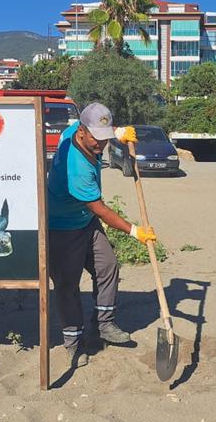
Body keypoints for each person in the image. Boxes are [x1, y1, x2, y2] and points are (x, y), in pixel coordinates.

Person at [47, 102, 156, 367]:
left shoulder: (74, 130)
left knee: (107, 266)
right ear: (82, 132)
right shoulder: (77, 167)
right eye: (97, 139)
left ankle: (103, 324)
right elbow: (100, 209)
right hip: (61, 227)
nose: (101, 145)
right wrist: (135, 231)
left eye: (105, 139)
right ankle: (73, 343)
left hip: (85, 221)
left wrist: (118, 133)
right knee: (67, 286)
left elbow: (101, 129)